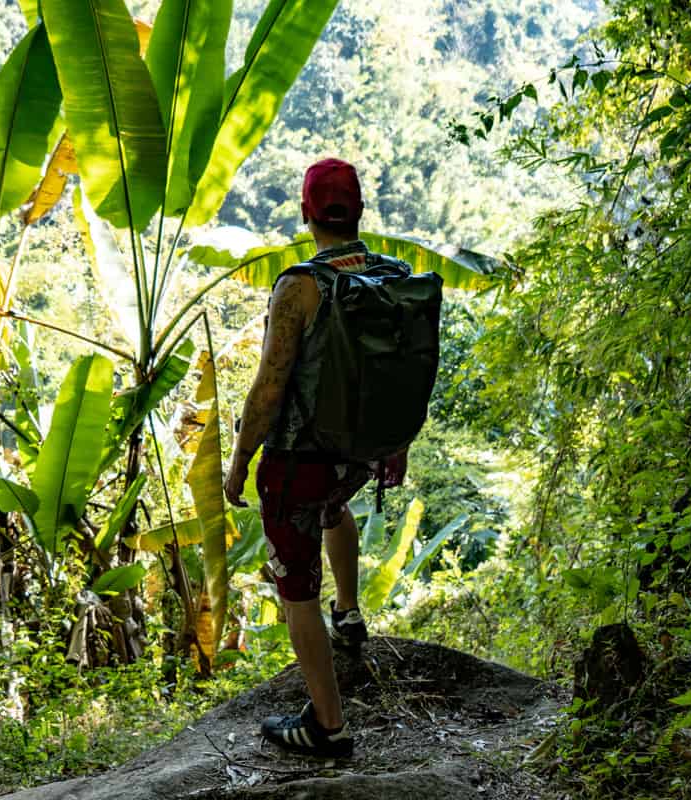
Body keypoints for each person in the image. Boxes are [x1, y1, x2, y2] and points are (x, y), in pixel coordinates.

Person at [223, 158, 407, 758]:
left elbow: (270, 385)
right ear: (358, 211)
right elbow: (402, 373)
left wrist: (241, 457)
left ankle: (328, 728)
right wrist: (394, 442)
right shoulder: (393, 275)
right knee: (332, 508)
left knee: (295, 587)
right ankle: (349, 614)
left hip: (301, 460)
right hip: (354, 459)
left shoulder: (300, 285)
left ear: (307, 213)